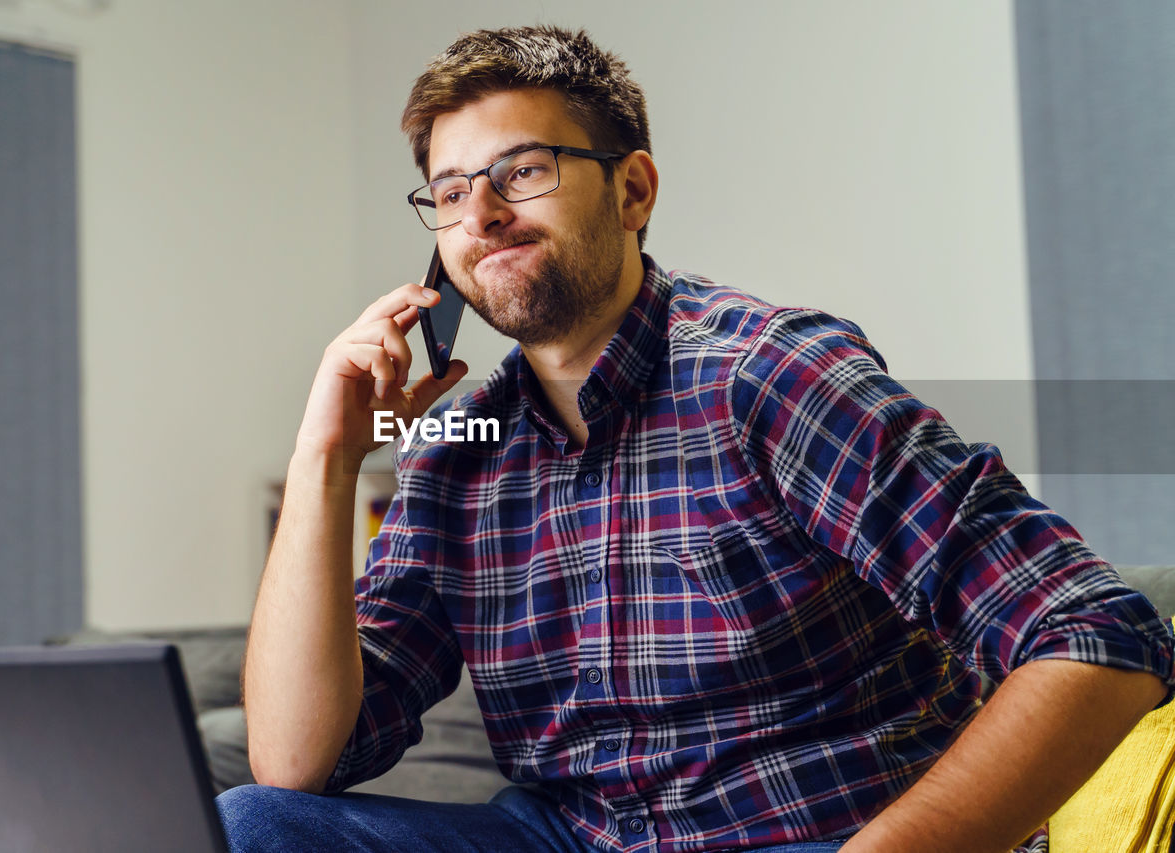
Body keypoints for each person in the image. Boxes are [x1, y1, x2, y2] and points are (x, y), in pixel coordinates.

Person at [216, 25, 1175, 853]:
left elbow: (1095, 632)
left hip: (815, 828)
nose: (484, 215)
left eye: (524, 171)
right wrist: (327, 460)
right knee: (250, 823)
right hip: (567, 834)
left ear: (632, 190)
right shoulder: (455, 449)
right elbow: (300, 759)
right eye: (452, 191)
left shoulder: (772, 375)